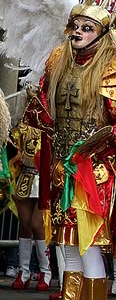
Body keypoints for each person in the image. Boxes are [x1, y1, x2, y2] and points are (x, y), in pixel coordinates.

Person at [22, 0, 116, 299]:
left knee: (88, 246)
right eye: (75, 25)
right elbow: (45, 110)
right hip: (62, 168)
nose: (77, 32)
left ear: (103, 33)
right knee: (67, 244)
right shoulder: (58, 60)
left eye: (87, 27)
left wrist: (87, 148)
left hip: (94, 173)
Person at [8, 119, 52, 292]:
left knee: (37, 224)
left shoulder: (50, 122)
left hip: (45, 179)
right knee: (25, 224)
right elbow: (13, 144)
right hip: (25, 176)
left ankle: (45, 271)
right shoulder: (22, 123)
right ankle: (23, 271)